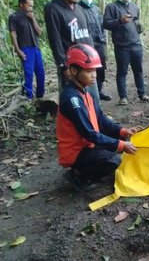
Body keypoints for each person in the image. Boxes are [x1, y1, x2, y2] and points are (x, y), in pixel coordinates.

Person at [57, 44, 138, 192]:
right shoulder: (72, 99)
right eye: (89, 71)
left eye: (94, 70)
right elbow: (89, 133)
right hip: (76, 151)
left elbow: (101, 119)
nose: (94, 74)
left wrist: (123, 131)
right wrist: (120, 145)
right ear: (74, 71)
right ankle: (78, 175)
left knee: (121, 142)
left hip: (88, 144)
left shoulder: (84, 92)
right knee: (115, 159)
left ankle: (90, 165)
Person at [44, 0, 99, 102]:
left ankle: (94, 118)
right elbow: (55, 39)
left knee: (93, 98)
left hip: (88, 63)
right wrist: (63, 65)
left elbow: (88, 34)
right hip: (71, 66)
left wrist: (93, 56)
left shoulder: (79, 8)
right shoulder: (53, 8)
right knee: (73, 101)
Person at [103, 0, 149, 105]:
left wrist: (139, 26)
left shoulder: (134, 7)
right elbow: (105, 24)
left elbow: (136, 22)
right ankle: (123, 97)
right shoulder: (111, 7)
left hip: (136, 44)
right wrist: (120, 20)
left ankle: (142, 94)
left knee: (138, 71)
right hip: (121, 46)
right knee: (122, 72)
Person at [9, 0, 45, 100]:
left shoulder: (31, 16)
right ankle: (28, 98)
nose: (30, 8)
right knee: (28, 74)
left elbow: (39, 32)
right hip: (25, 48)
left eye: (32, 6)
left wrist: (33, 19)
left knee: (41, 74)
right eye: (28, 6)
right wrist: (17, 49)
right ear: (21, 4)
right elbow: (13, 34)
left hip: (36, 48)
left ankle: (40, 97)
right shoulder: (14, 17)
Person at [79, 0, 112, 101]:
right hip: (87, 44)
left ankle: (99, 90)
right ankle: (89, 93)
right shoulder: (78, 9)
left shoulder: (96, 9)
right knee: (88, 68)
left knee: (101, 67)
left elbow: (101, 25)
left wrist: (103, 39)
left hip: (99, 43)